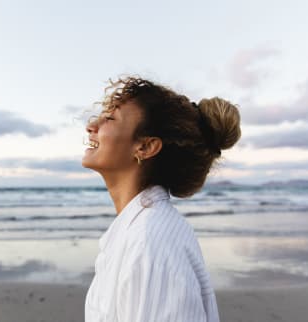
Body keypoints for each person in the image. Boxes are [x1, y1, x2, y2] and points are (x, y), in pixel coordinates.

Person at [82, 76, 242, 322]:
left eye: (111, 118)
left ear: (145, 147)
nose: (92, 125)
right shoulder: (138, 230)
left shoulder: (150, 242)